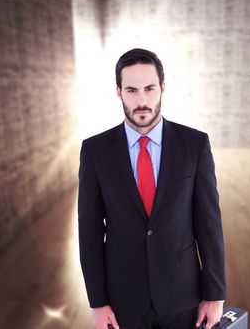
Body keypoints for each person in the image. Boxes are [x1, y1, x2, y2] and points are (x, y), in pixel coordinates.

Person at [78, 48, 226, 329]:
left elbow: (209, 224)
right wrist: (97, 302)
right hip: (123, 299)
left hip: (183, 295)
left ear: (163, 88)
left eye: (150, 88)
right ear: (119, 92)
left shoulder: (195, 145)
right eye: (132, 90)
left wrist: (215, 295)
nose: (142, 100)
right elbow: (90, 232)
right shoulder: (94, 151)